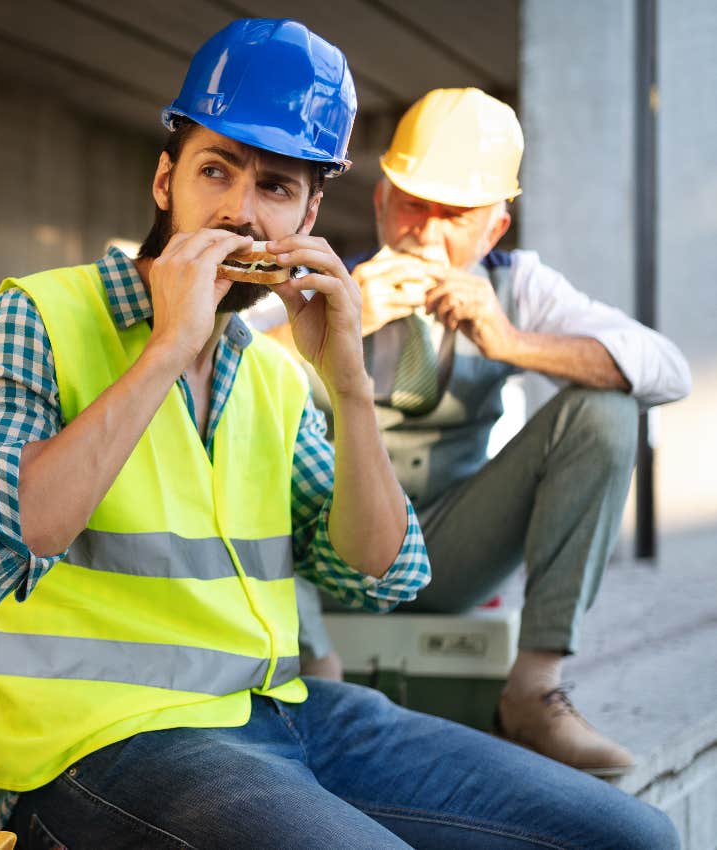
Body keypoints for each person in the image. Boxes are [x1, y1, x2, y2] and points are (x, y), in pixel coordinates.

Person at [0, 24, 678, 849]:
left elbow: (382, 572)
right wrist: (168, 348)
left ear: (309, 215)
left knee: (633, 836)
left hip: (280, 714)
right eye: (216, 171)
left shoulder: (273, 372)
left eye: (277, 188)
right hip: (89, 749)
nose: (241, 212)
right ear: (165, 178)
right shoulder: (35, 316)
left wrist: (348, 383)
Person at [264, 87, 692, 777]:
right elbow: (216, 376)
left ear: (494, 229)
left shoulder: (517, 285)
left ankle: (533, 688)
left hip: (451, 549)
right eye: (412, 205)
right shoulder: (320, 281)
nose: (427, 235)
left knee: (607, 409)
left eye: (455, 216)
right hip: (328, 556)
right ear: (380, 202)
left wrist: (512, 342)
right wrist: (320, 331)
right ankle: (320, 674)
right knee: (259, 409)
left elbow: (668, 371)